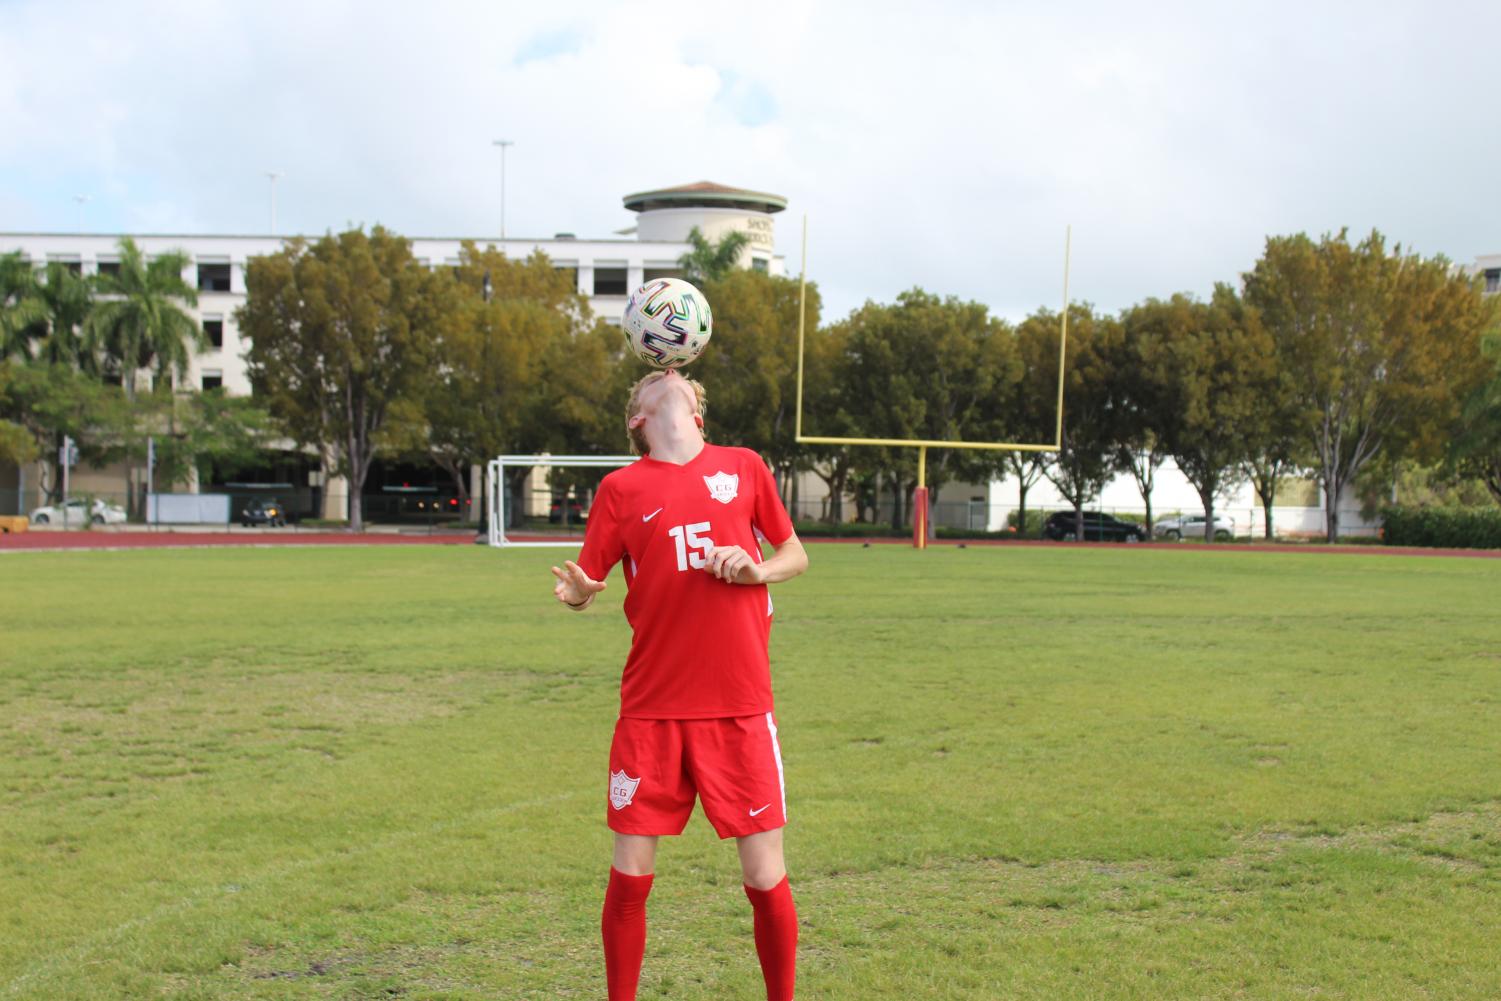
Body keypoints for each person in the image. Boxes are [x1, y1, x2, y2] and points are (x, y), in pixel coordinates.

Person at [550, 368, 809, 1001]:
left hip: (739, 707)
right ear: (637, 418)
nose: (669, 375)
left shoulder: (744, 466)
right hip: (651, 712)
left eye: (683, 375)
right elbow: (586, 579)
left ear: (699, 410)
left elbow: (795, 554)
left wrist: (757, 571)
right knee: (630, 875)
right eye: (651, 379)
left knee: (764, 875)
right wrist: (580, 593)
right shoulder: (620, 488)